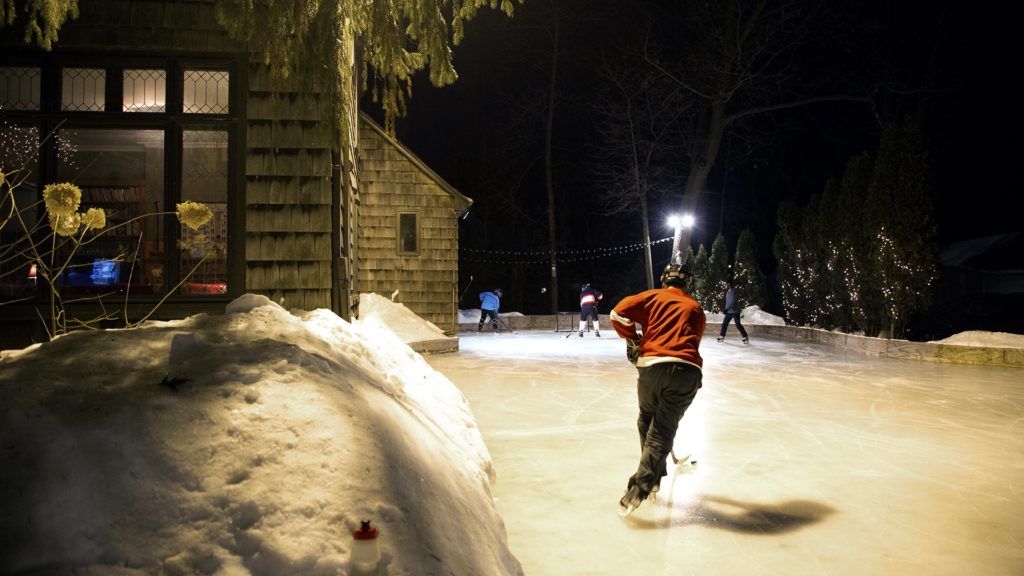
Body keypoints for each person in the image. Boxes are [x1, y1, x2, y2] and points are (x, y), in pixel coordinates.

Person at [610, 264, 706, 516]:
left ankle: (644, 484)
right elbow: (693, 340)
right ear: (687, 284)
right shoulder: (695, 307)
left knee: (646, 421)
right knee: (662, 430)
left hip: (652, 367)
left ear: (664, 281)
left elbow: (617, 313)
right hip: (686, 371)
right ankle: (650, 478)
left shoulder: (652, 297)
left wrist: (632, 339)